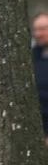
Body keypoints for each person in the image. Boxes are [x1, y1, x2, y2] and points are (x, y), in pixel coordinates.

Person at [32, 12, 48, 141]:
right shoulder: (30, 56)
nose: (38, 34)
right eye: (36, 30)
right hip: (37, 130)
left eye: (43, 29)